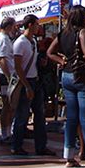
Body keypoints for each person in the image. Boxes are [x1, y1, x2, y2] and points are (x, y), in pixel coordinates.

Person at [47, 5, 85, 168]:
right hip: (84, 78)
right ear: (81, 18)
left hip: (67, 77)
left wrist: (62, 61)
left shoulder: (63, 33)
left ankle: (69, 156)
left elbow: (50, 52)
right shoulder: (82, 33)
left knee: (72, 118)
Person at [10, 14, 54, 156]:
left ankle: (41, 146)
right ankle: (16, 145)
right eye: (36, 24)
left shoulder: (33, 41)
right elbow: (18, 67)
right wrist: (27, 86)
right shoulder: (20, 43)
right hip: (26, 82)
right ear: (30, 25)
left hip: (35, 80)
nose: (38, 27)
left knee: (39, 114)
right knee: (22, 115)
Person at [0, 16, 17, 142]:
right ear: (8, 26)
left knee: (10, 105)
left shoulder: (6, 38)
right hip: (4, 75)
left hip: (9, 74)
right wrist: (8, 76)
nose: (15, 28)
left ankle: (8, 131)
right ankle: (5, 134)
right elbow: (1, 59)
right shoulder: (2, 39)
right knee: (7, 105)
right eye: (13, 26)